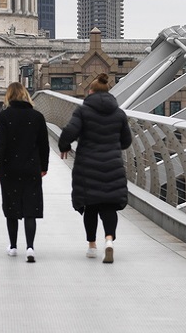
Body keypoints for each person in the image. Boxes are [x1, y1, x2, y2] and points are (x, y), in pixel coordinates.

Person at [58, 73, 132, 263]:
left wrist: (64, 146)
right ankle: (109, 240)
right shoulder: (119, 113)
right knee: (108, 206)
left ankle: (92, 246)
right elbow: (126, 141)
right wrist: (112, 147)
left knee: (90, 206)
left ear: (90, 92)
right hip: (112, 164)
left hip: (87, 165)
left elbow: (69, 132)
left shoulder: (83, 111)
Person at [0, 82, 49, 263]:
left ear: (8, 96)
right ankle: (30, 247)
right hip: (31, 168)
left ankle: (14, 246)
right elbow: (44, 146)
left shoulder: (5, 116)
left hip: (10, 168)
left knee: (12, 208)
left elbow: (1, 145)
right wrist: (43, 167)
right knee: (30, 209)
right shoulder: (38, 116)